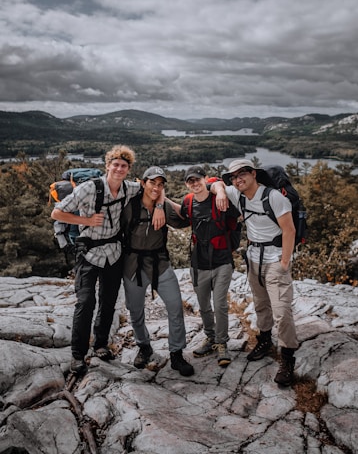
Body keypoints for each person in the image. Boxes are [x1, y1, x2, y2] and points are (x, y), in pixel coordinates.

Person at [51, 145, 165, 374]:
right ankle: (77, 355)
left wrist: (160, 206)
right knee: (85, 302)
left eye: (124, 166)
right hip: (88, 253)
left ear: (128, 168)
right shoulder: (88, 189)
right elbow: (57, 213)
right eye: (116, 164)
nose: (119, 169)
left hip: (113, 252)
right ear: (108, 165)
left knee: (108, 301)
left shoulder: (129, 188)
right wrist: (86, 221)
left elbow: (155, 189)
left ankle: (101, 344)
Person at [212, 159, 298, 386]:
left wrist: (284, 263)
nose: (237, 180)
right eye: (233, 177)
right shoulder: (237, 194)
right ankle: (265, 340)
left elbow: (289, 231)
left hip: (275, 260)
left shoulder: (274, 197)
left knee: (282, 311)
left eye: (242, 174)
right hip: (253, 259)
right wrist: (221, 190)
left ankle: (288, 359)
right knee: (260, 304)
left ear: (254, 174)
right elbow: (211, 184)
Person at [120, 166, 194, 377]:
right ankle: (144, 346)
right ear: (143, 183)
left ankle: (177, 354)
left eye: (160, 184)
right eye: (152, 182)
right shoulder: (129, 207)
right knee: (135, 310)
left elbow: (185, 221)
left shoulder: (164, 207)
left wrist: (164, 203)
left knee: (174, 306)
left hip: (159, 262)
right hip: (133, 264)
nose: (156, 187)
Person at [180, 165, 240, 367]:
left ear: (205, 179)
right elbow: (179, 216)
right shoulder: (187, 203)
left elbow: (236, 216)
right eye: (190, 181)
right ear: (187, 185)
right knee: (204, 305)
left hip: (222, 260)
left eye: (197, 179)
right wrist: (161, 203)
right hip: (199, 263)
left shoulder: (220, 199)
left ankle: (222, 343)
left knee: (220, 303)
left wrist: (220, 189)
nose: (195, 184)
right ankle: (210, 337)